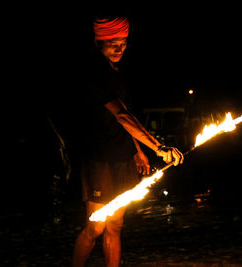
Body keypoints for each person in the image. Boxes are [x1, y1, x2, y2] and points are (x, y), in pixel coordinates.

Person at [72, 16, 184, 267]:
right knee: (96, 227)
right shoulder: (94, 73)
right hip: (100, 160)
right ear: (99, 41)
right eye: (113, 43)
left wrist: (138, 152)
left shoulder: (116, 74)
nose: (120, 49)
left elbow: (126, 117)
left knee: (116, 225)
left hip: (123, 158)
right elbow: (122, 116)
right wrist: (158, 147)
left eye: (123, 43)